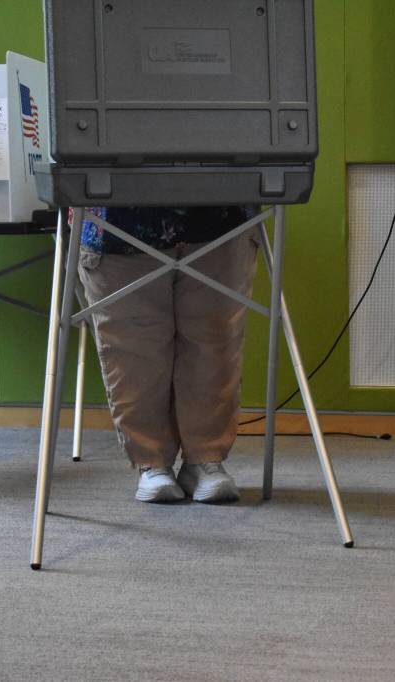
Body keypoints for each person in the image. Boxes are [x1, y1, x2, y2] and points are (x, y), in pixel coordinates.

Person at [73, 206, 258, 504]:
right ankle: (152, 461)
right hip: (118, 220)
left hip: (221, 214)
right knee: (133, 351)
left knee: (213, 343)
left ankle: (205, 458)